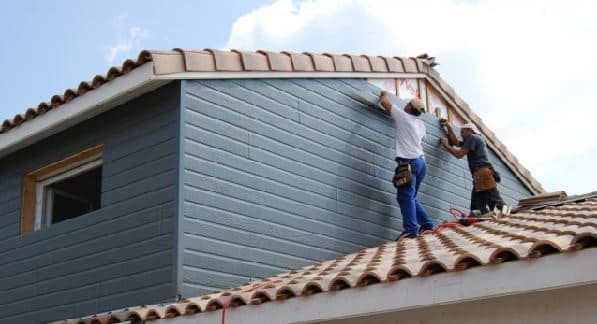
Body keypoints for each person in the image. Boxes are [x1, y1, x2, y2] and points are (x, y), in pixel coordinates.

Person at [379, 91, 434, 240]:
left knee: (404, 196)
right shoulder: (421, 125)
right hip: (421, 162)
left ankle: (411, 230)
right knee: (411, 197)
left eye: (408, 103)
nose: (406, 105)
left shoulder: (403, 117)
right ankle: (427, 225)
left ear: (410, 108)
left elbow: (385, 102)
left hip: (409, 162)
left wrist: (384, 92)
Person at [439, 119, 505, 214]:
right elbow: (456, 142)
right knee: (476, 208)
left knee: (495, 202)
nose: (461, 134)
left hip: (482, 175)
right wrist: (448, 126)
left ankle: (508, 217)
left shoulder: (473, 138)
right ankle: (480, 219)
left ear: (470, 131)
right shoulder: (473, 140)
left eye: (463, 132)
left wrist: (446, 146)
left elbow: (459, 154)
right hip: (479, 176)